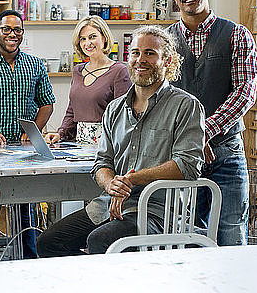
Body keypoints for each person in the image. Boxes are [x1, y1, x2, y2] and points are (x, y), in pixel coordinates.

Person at [37, 25, 205, 257]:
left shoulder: (186, 106)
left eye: (150, 53)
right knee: (48, 242)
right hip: (110, 204)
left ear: (167, 61)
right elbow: (102, 163)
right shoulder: (115, 109)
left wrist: (130, 180)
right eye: (135, 52)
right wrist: (111, 185)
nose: (140, 60)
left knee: (101, 241)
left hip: (159, 211)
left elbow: (188, 165)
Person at [168, 0, 257, 246]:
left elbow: (244, 92)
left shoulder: (236, 35)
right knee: (186, 238)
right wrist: (189, 138)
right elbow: (160, 95)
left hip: (226, 155)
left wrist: (203, 131)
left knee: (231, 233)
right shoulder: (165, 41)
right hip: (180, 156)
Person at [0, 9, 55, 260]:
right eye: (6, 29)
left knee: (25, 206)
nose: (11, 34)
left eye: (17, 30)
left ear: (22, 33)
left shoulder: (35, 64)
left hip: (25, 152)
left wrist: (34, 130)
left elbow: (47, 102)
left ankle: (29, 260)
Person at [44, 16, 131, 145]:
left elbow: (123, 116)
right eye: (83, 39)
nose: (87, 43)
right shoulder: (77, 70)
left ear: (104, 38)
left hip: (106, 144)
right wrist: (60, 133)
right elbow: (72, 109)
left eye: (92, 37)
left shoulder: (119, 71)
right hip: (78, 144)